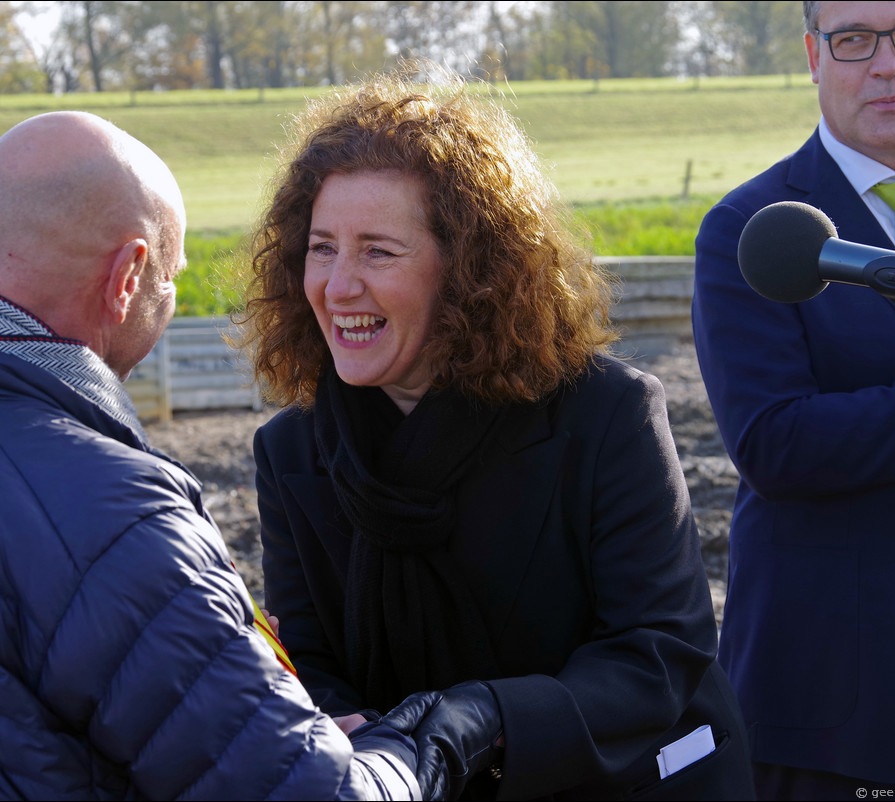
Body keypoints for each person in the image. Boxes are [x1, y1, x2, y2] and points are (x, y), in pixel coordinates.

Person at [0, 111, 420, 801]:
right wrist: (418, 741)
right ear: (129, 277)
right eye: (171, 277)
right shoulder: (111, 516)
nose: (168, 302)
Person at [235, 67, 755, 800]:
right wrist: (355, 734)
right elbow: (310, 660)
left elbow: (656, 657)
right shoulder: (289, 452)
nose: (338, 285)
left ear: (472, 271)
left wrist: (483, 717)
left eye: (378, 251)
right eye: (322, 248)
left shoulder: (608, 414)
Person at [692, 1, 895, 798]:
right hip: (853, 716)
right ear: (814, 54)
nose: (886, 63)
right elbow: (775, 443)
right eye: (854, 39)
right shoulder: (753, 230)